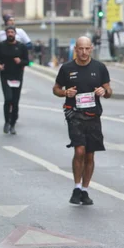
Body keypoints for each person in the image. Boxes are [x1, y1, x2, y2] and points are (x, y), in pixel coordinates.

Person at [52, 36, 112, 205]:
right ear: (75, 50)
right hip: (75, 115)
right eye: (81, 49)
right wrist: (65, 93)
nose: (84, 52)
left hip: (93, 116)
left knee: (90, 155)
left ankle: (85, 190)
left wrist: (104, 91)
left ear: (91, 49)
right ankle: (76, 187)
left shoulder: (99, 68)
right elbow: (56, 88)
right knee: (79, 151)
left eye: (87, 48)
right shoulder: (67, 68)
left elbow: (108, 90)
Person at [0, 26, 29, 135]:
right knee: (8, 99)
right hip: (5, 75)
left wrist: (20, 61)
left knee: (15, 101)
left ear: (15, 34)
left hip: (17, 76)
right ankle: (6, 121)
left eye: (12, 32)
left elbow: (27, 61)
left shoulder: (21, 47)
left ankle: (13, 124)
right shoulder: (0, 46)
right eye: (8, 32)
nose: (10, 34)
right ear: (6, 34)